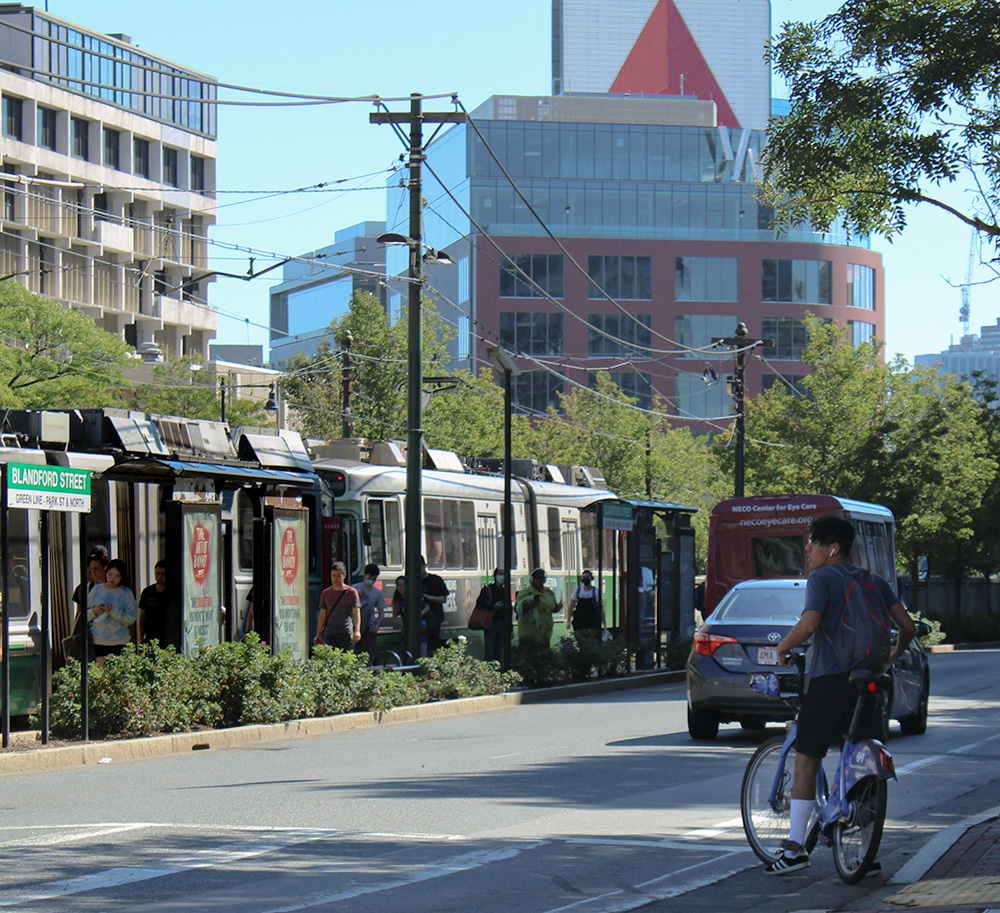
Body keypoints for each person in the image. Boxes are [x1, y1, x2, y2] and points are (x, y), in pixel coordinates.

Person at [765, 515, 915, 875]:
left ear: (832, 549)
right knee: (863, 765)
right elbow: (906, 626)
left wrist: (782, 649)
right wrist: (892, 655)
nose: (807, 550)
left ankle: (795, 848)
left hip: (831, 679)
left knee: (807, 759)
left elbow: (809, 624)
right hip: (871, 682)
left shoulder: (821, 578)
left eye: (812, 543)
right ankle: (865, 854)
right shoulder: (874, 580)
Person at [87, 558, 138, 667]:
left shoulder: (126, 593)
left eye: (117, 576)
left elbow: (132, 617)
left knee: (118, 678)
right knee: (101, 677)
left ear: (122, 577)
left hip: (120, 640)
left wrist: (113, 611)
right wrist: (94, 612)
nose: (112, 579)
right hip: (99, 640)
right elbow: (84, 615)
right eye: (110, 574)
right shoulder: (96, 590)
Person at [314, 562, 361, 651]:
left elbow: (356, 612)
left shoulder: (351, 592)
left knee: (346, 659)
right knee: (331, 659)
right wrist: (318, 633)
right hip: (329, 633)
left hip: (346, 632)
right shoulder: (326, 593)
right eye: (333, 576)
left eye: (338, 576)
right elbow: (322, 614)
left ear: (344, 576)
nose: (335, 579)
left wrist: (357, 630)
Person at [516, 568, 562, 648]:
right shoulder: (525, 593)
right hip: (530, 631)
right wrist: (530, 605)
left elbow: (552, 608)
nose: (540, 581)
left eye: (542, 578)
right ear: (532, 579)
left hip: (545, 632)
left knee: (544, 655)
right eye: (538, 578)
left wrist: (557, 608)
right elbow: (518, 609)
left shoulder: (549, 592)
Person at [356, 563, 387, 665]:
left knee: (370, 656)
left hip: (370, 628)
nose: (371, 580)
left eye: (374, 578)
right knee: (354, 654)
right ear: (365, 575)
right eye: (370, 577)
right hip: (355, 627)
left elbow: (381, 611)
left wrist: (377, 625)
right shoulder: (354, 589)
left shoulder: (377, 593)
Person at [475, 568, 507, 663]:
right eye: (500, 574)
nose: (502, 576)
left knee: (499, 651)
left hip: (502, 624)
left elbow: (508, 611)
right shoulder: (488, 590)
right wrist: (493, 607)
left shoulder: (506, 591)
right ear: (495, 576)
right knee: (489, 651)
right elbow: (479, 604)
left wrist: (510, 629)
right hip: (491, 623)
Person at [420, 556, 449, 655]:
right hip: (419, 621)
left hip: (434, 619)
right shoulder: (411, 581)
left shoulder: (436, 580)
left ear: (424, 566)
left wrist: (428, 597)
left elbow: (443, 599)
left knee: (433, 647)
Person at [72, 547, 108, 623]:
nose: (93, 572)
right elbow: (80, 615)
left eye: (96, 568)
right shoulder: (84, 589)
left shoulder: (116, 587)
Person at [138, 559, 168, 645]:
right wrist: (140, 637)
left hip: (167, 636)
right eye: (157, 574)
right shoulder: (147, 592)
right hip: (151, 636)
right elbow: (142, 616)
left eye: (163, 574)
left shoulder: (172, 593)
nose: (160, 577)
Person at [567, 570, 602, 642]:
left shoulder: (595, 591)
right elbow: (571, 606)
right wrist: (568, 620)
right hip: (579, 622)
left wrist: (603, 623)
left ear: (591, 578)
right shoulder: (577, 590)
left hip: (592, 622)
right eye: (584, 577)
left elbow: (600, 608)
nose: (585, 579)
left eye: (587, 577)